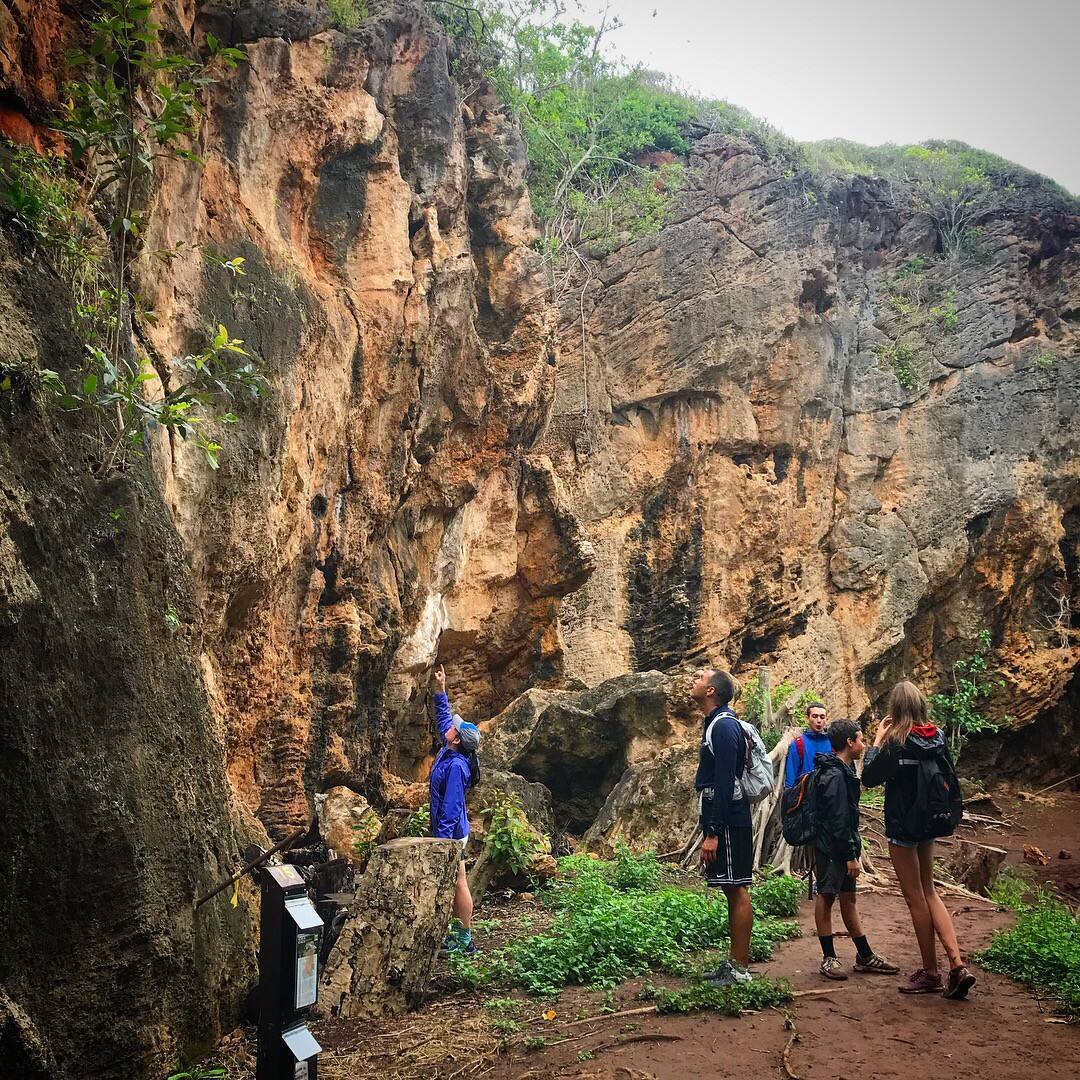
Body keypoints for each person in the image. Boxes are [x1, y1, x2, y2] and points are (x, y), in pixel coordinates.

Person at [861, 680, 976, 999]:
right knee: (931, 891)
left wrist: (876, 741)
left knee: (915, 898)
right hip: (930, 823)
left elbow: (869, 778)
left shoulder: (896, 741)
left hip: (902, 828)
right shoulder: (937, 737)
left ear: (895, 710)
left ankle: (930, 973)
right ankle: (957, 964)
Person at [812, 718, 897, 980]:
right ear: (849, 743)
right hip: (831, 849)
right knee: (826, 898)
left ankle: (864, 955)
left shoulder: (844, 771)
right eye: (861, 739)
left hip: (842, 845)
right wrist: (850, 856)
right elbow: (838, 820)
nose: (864, 744)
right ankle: (828, 958)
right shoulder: (835, 775)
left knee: (849, 900)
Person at [692, 667, 754, 986]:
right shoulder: (716, 724)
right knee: (731, 889)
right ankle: (733, 964)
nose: (695, 679)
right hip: (725, 816)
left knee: (737, 888)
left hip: (729, 818)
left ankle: (740, 970)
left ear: (713, 690)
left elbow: (726, 780)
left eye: (700, 677)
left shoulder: (725, 726)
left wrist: (713, 833)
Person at [430, 664, 482, 955]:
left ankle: (464, 940)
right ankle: (460, 937)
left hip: (452, 834)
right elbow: (443, 719)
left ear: (457, 739)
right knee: (456, 881)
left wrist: (444, 843)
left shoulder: (456, 766)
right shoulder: (450, 749)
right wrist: (442, 689)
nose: (450, 725)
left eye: (454, 727)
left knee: (459, 882)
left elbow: (450, 809)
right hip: (450, 832)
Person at [784, 700, 831, 788]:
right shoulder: (799, 744)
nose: (819, 720)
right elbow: (791, 776)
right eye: (814, 716)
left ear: (826, 719)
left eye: (822, 717)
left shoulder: (833, 742)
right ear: (807, 719)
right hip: (805, 795)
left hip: (829, 794)